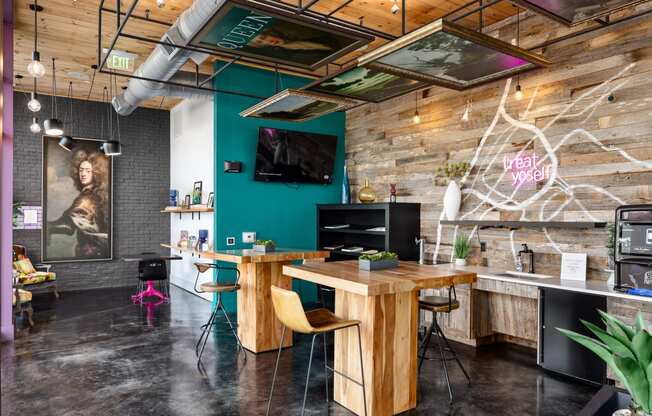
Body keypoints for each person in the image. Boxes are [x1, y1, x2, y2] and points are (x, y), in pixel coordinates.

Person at [48, 148, 110, 258]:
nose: (83, 174)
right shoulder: (96, 193)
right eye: (81, 170)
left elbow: (68, 225)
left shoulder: (86, 199)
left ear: (96, 173)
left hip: (93, 251)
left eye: (88, 171)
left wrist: (46, 226)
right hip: (101, 249)